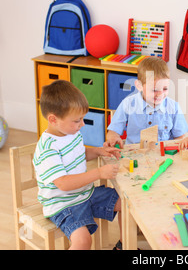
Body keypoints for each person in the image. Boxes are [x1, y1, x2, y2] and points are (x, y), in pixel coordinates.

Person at [33, 80, 123, 250]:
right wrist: (99, 173)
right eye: (77, 120)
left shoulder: (71, 133)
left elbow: (79, 155)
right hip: (63, 204)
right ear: (53, 119)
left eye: (82, 119)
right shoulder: (48, 148)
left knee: (126, 201)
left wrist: (97, 151)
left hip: (85, 194)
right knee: (83, 242)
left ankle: (123, 245)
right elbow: (64, 183)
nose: (82, 124)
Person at [105, 57, 188, 147]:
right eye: (154, 90)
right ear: (139, 86)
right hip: (135, 153)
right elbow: (113, 132)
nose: (160, 94)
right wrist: (113, 138)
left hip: (163, 155)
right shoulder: (128, 104)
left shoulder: (174, 107)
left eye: (165, 89)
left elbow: (180, 137)